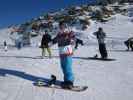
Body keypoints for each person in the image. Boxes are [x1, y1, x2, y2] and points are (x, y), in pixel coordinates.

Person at [52, 22, 75, 89]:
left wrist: (72, 39)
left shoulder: (69, 33)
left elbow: (73, 39)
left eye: (63, 26)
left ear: (65, 26)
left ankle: (70, 82)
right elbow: (54, 40)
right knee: (63, 67)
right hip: (61, 53)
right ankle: (66, 81)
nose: (61, 28)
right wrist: (48, 43)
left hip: (67, 52)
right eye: (60, 26)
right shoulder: (59, 34)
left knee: (67, 67)